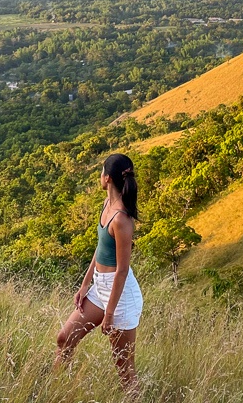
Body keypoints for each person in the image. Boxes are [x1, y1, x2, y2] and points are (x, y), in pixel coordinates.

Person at [55, 153, 143, 391]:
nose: (99, 176)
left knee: (124, 371)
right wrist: (85, 285)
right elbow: (101, 249)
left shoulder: (122, 219)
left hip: (121, 296)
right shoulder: (106, 205)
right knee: (65, 339)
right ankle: (55, 390)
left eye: (101, 172)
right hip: (100, 287)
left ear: (107, 178)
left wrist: (110, 313)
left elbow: (122, 271)